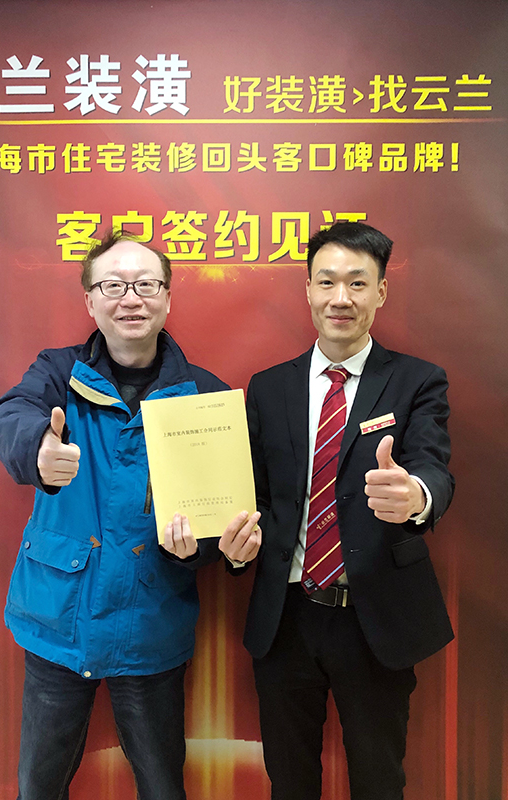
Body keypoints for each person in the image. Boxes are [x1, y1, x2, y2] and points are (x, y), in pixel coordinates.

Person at [0, 229, 257, 800]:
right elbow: (10, 414)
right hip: (59, 621)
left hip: (151, 625)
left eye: (145, 284)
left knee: (162, 784)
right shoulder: (57, 372)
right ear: (90, 301)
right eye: (113, 285)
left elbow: (221, 515)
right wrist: (38, 448)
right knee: (38, 786)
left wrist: (205, 551)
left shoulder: (204, 396)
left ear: (167, 297)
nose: (130, 298)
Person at [231, 221, 455, 799]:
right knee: (290, 780)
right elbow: (254, 497)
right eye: (327, 281)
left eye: (357, 283)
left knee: (379, 780)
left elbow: (433, 467)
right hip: (285, 616)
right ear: (307, 288)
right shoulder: (268, 388)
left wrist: (416, 496)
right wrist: (234, 545)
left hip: (375, 614)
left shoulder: (416, 381)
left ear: (381, 292)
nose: (340, 298)